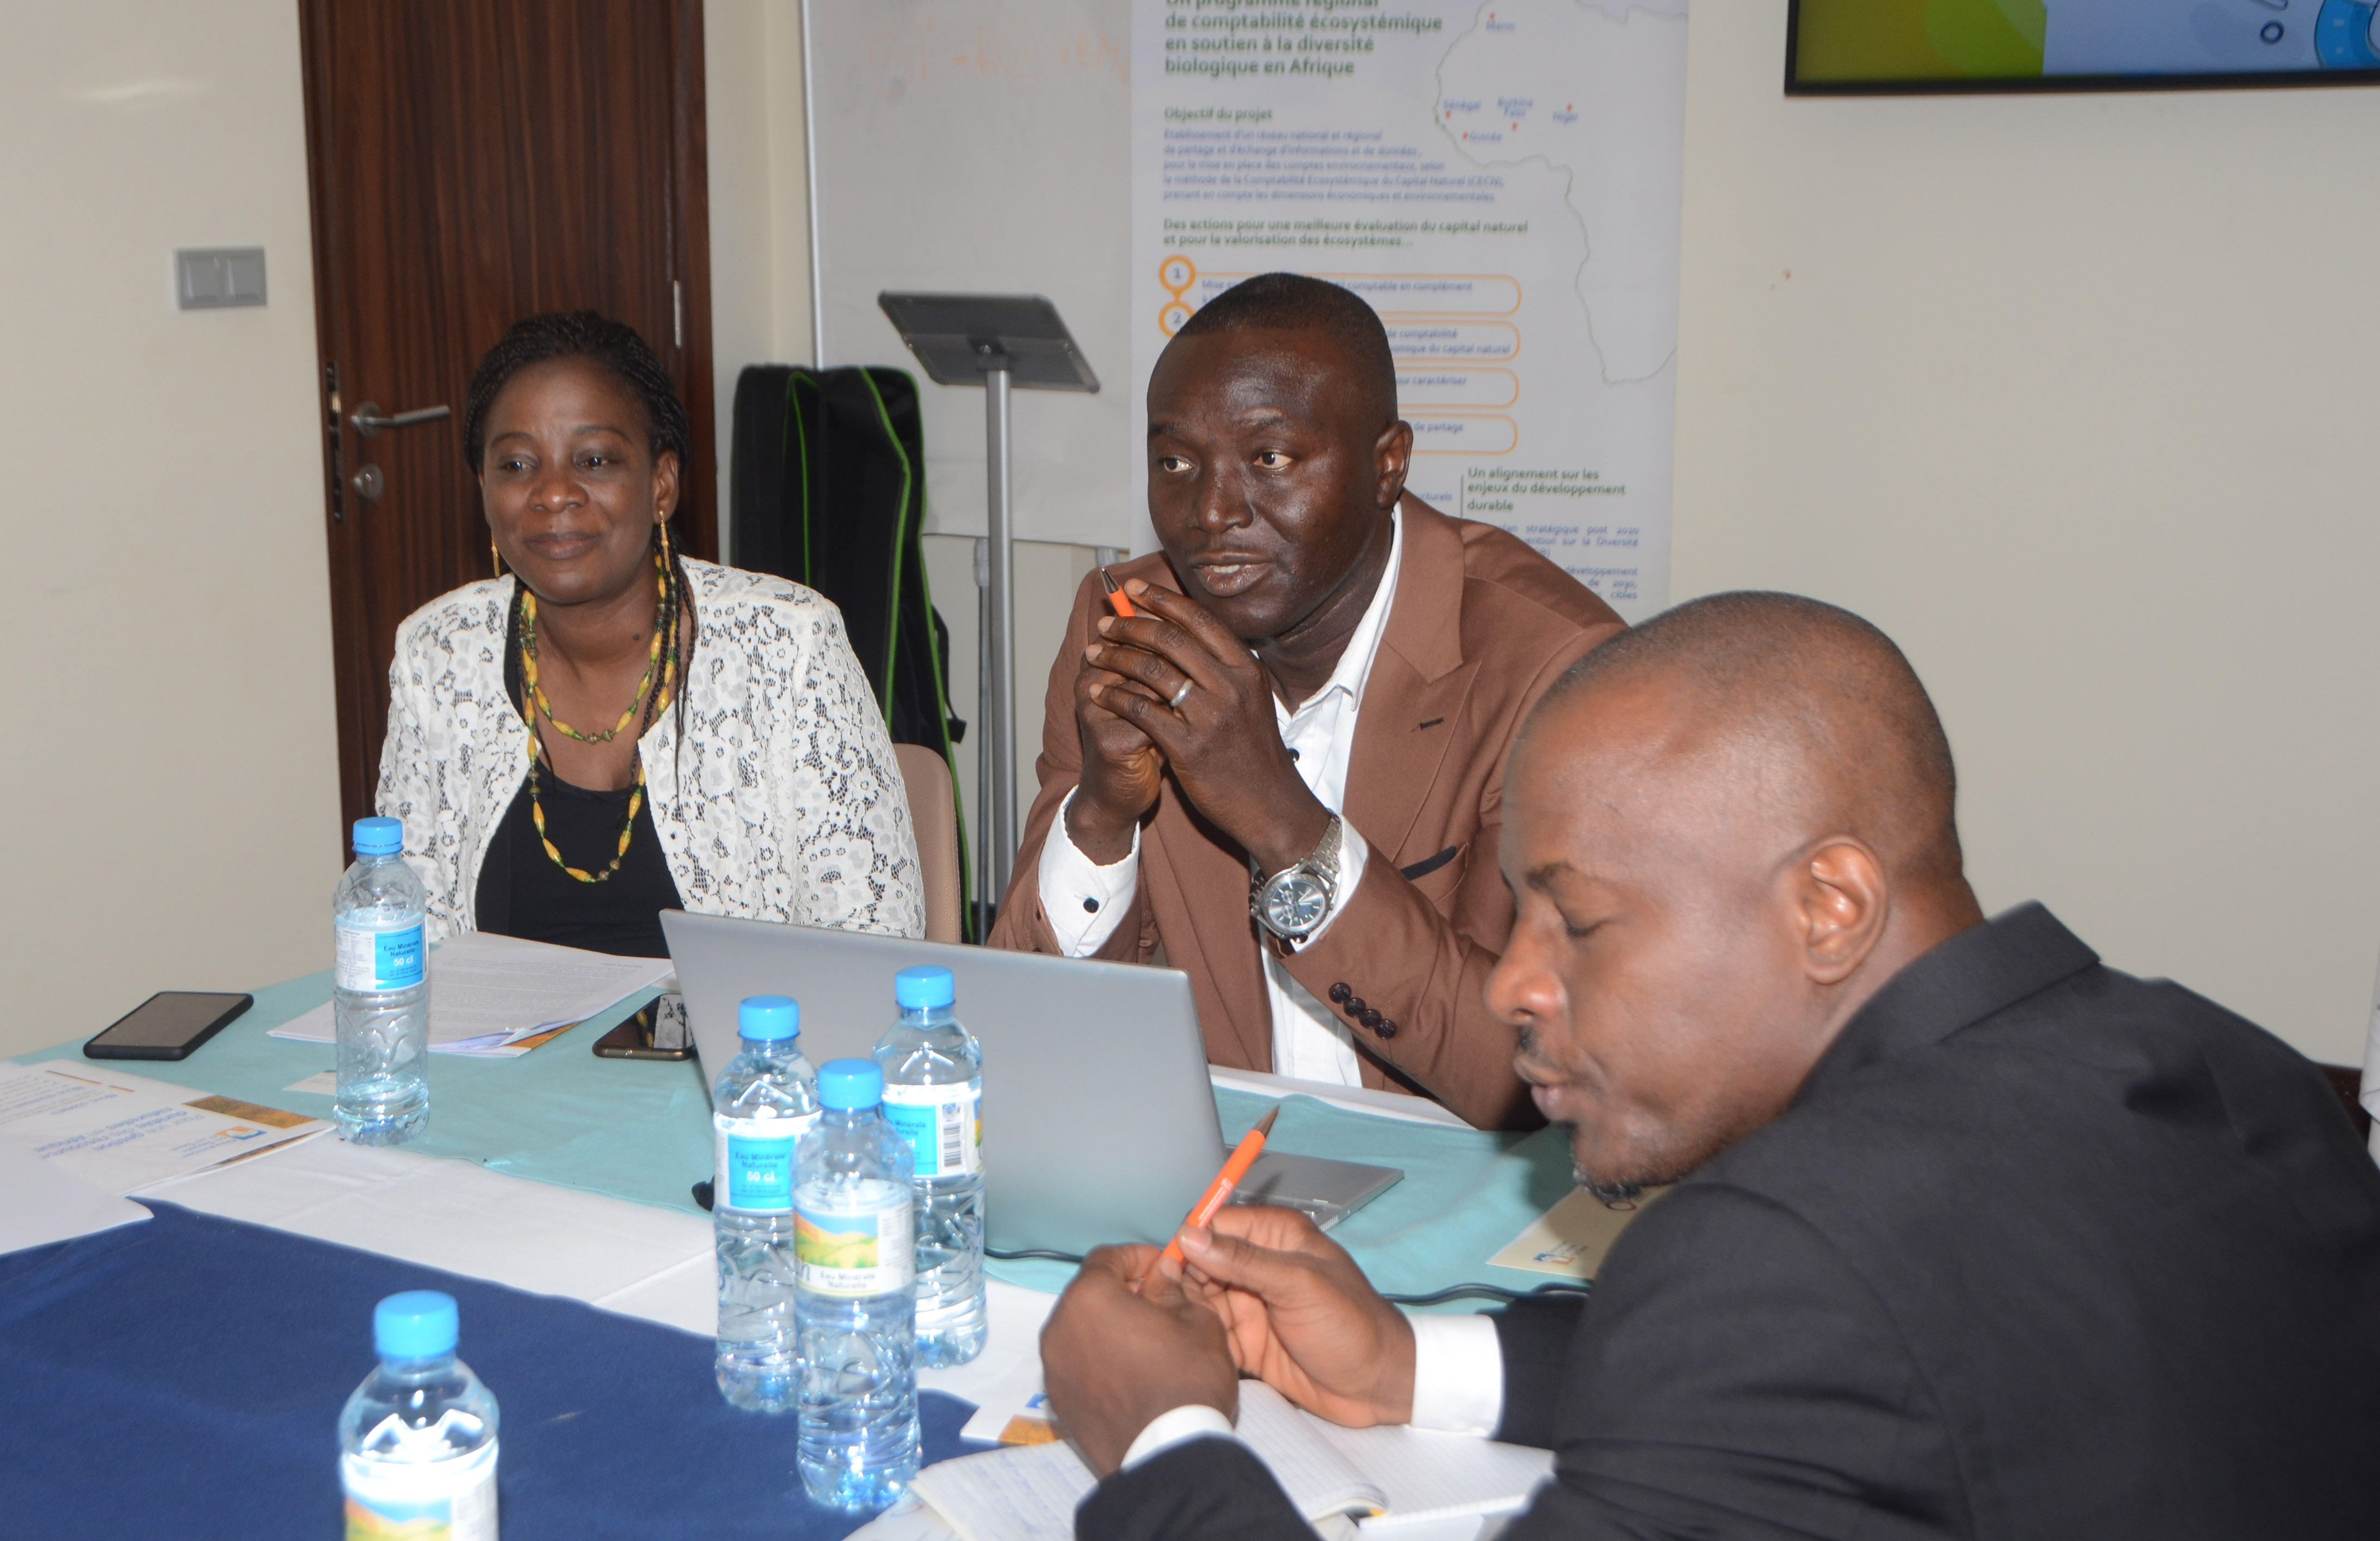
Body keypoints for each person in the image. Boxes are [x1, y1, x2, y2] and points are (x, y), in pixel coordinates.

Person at [1039, 592, 2380, 1539]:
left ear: (1830, 906)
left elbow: (1790, 1322)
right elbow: (1871, 1375)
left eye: (1582, 917)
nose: (1513, 981)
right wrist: (1406, 1359)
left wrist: (1165, 1436)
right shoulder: (2229, 1062)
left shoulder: (1786, 1251)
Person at [987, 274, 1622, 1129]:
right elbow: (1024, 1026)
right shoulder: (1128, 623)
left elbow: (1520, 1073)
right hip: (1217, 1168)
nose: (1211, 512)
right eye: (1175, 462)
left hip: (1458, 1193)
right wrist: (1101, 816)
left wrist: (1282, 821)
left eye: (1269, 460)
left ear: (1387, 463)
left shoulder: (1553, 668)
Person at [376, 311, 922, 957]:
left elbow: (870, 942)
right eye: (517, 465)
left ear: (662, 485)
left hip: (735, 1051)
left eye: (595, 459)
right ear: (484, 491)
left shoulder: (788, 648)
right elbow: (404, 940)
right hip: (500, 1056)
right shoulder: (438, 654)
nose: (553, 493)